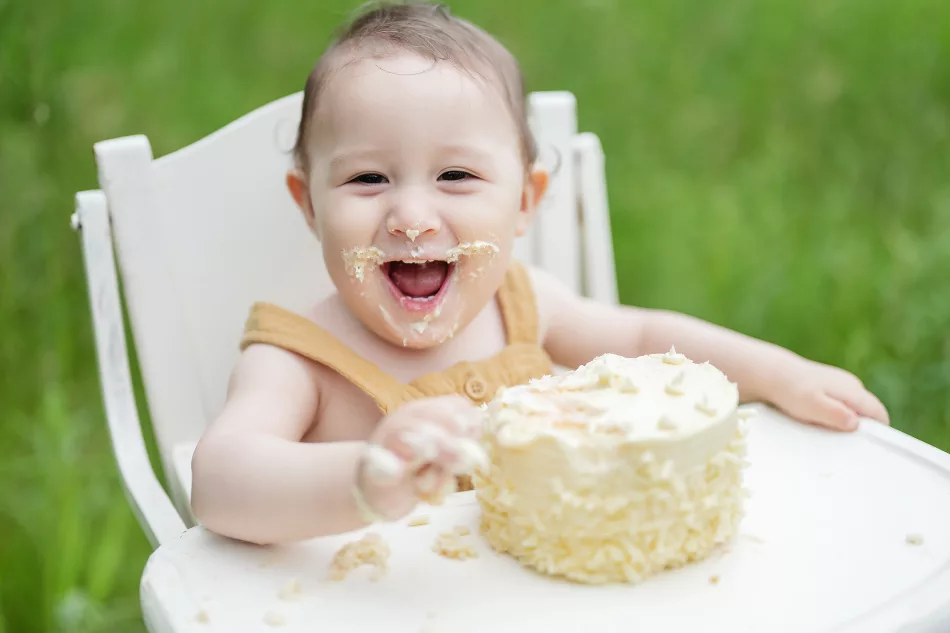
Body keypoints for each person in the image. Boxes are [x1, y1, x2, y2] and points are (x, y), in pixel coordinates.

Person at [189, 1, 889, 545]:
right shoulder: (297, 359)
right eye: (369, 178)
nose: (410, 216)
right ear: (309, 203)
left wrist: (781, 375)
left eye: (456, 175)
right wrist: (368, 475)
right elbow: (220, 482)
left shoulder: (522, 306)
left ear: (524, 201)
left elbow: (647, 336)